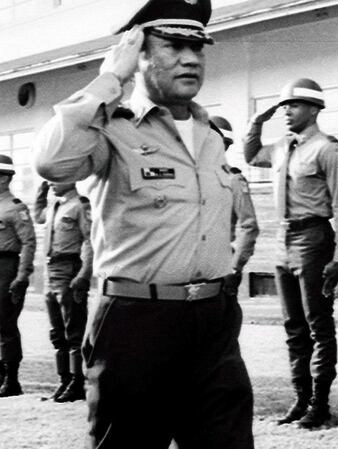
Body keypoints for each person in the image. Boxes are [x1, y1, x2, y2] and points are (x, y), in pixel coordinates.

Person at [34, 0, 255, 447]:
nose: (191, 58)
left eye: (198, 48)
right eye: (173, 45)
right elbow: (52, 164)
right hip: (138, 324)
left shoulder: (212, 136)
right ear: (138, 54)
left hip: (214, 319)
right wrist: (110, 77)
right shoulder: (110, 129)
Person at [244, 78, 338, 429]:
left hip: (315, 238)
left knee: (318, 324)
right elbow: (250, 155)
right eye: (284, 106)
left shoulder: (327, 149)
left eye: (293, 105)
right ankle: (301, 398)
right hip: (284, 239)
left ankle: (320, 403)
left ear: (314, 109)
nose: (286, 111)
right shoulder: (280, 147)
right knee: (293, 326)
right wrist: (256, 122)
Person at [33, 181, 92, 402]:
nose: (51, 182)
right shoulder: (56, 206)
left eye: (56, 179)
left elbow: (89, 240)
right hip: (51, 269)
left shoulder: (80, 205)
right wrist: (41, 192)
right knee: (57, 332)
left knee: (73, 329)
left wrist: (84, 274)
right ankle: (64, 379)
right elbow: (39, 216)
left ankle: (78, 382)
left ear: (71, 178)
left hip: (69, 268)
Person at [209, 115, 260, 291]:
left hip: (220, 262)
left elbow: (249, 226)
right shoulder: (191, 179)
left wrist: (234, 266)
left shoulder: (234, 180)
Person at [0, 155, 35, 398]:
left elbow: (29, 243)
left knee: (6, 324)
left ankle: (11, 380)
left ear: (3, 178)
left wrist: (22, 276)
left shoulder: (16, 207)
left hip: (6, 267)